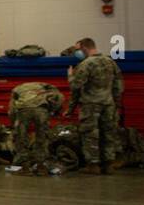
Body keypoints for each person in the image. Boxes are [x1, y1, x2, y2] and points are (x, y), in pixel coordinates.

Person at [66, 38, 124, 174]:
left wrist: (70, 76)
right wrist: (116, 103)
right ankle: (108, 164)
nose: (76, 53)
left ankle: (93, 165)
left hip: (90, 105)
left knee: (90, 134)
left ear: (84, 48)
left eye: (77, 50)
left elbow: (76, 86)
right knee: (108, 134)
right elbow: (118, 85)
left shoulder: (85, 64)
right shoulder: (110, 62)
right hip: (108, 104)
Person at [8, 81, 64, 175]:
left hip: (24, 109)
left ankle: (25, 168)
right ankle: (41, 167)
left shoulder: (17, 89)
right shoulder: (47, 87)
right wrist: (54, 111)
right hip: (41, 109)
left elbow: (12, 108)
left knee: (21, 138)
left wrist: (13, 122)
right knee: (42, 138)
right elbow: (60, 97)